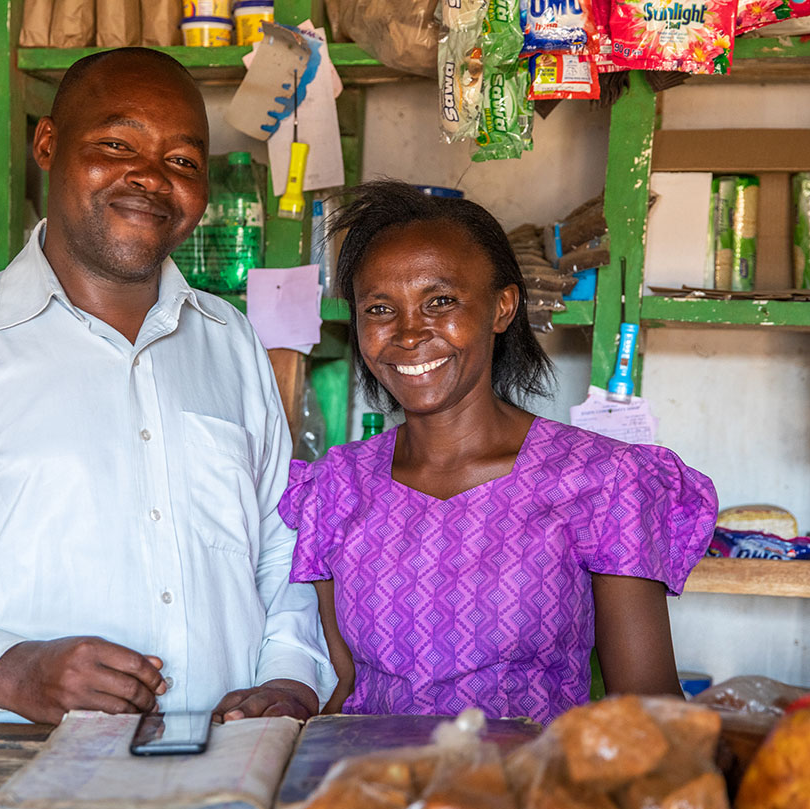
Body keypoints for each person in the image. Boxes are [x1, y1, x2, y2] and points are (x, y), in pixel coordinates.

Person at [0, 48, 333, 725]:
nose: (150, 178)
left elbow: (281, 550)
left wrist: (288, 676)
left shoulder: (231, 344)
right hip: (4, 777)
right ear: (48, 145)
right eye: (116, 143)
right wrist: (7, 671)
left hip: (218, 775)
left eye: (183, 161)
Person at [279, 180, 717, 724]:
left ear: (502, 307)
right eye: (379, 308)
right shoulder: (338, 485)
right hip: (381, 792)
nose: (410, 333)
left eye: (440, 301)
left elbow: (648, 707)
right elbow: (345, 687)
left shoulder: (603, 480)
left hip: (530, 798)